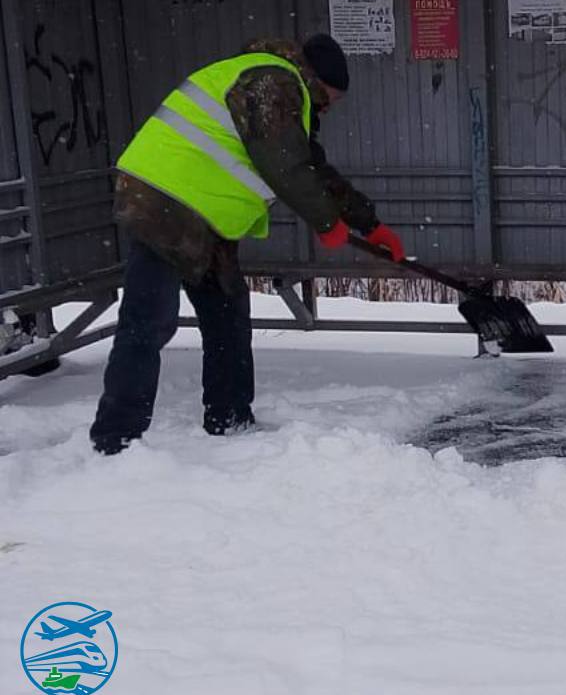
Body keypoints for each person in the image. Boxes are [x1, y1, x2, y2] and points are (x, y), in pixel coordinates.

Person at [89, 35, 405, 455]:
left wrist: (369, 224)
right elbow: (284, 165)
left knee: (228, 314)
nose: (330, 107)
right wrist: (326, 221)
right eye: (332, 97)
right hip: (163, 201)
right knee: (149, 318)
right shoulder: (271, 81)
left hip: (203, 214)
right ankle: (116, 438)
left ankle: (230, 417)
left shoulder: (281, 94)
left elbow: (313, 168)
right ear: (317, 79)